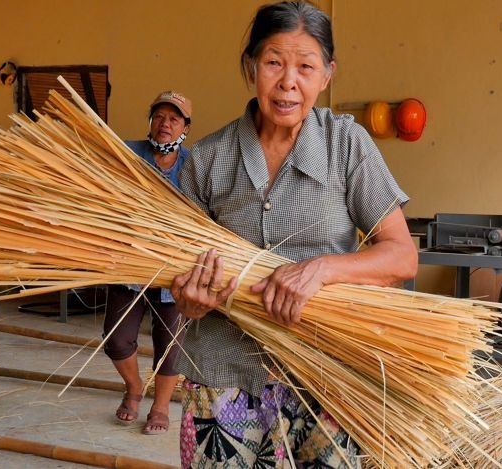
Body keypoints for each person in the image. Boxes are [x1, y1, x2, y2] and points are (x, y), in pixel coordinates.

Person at [171, 2, 418, 467]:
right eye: (273, 63)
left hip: (325, 374)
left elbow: (402, 257)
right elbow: (183, 279)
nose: (289, 82)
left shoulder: (346, 144)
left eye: (305, 66)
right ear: (250, 67)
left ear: (326, 76)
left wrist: (322, 269)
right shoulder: (206, 161)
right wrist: (189, 300)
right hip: (223, 373)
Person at [103, 90, 192, 435]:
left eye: (174, 118)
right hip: (129, 265)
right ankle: (135, 387)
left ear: (185, 127)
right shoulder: (128, 153)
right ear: (150, 121)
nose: (165, 123)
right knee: (116, 337)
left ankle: (159, 407)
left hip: (174, 271)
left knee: (169, 346)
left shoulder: (193, 165)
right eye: (159, 116)